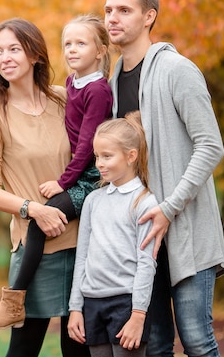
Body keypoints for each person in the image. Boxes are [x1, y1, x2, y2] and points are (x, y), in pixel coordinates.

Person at [103, 0, 224, 357]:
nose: (113, 18)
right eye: (108, 10)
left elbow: (211, 146)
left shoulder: (177, 70)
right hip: (141, 238)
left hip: (185, 228)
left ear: (148, 17)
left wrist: (168, 208)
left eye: (124, 10)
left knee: (197, 341)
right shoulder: (111, 84)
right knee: (154, 345)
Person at [0, 14, 113, 330]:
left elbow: (97, 147)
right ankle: (12, 299)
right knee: (24, 349)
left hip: (84, 245)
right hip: (35, 249)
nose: (4, 58)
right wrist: (34, 210)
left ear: (35, 54)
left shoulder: (63, 97)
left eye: (13, 49)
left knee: (77, 347)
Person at [67, 112, 158, 357]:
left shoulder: (145, 202)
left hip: (126, 304)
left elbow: (146, 263)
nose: (99, 164)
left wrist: (138, 315)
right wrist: (76, 307)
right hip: (92, 303)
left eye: (107, 156)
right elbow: (82, 256)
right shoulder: (93, 201)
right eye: (97, 156)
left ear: (131, 156)